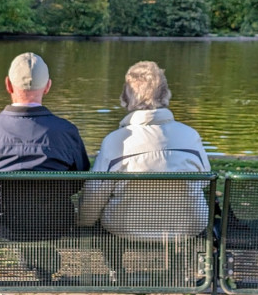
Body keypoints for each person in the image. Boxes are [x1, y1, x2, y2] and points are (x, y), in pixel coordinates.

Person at [78, 61, 211, 242]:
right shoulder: (190, 136)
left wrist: (85, 221)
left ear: (126, 96)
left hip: (126, 227)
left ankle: (118, 270)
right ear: (166, 94)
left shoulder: (116, 141)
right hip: (187, 226)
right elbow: (204, 181)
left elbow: (95, 194)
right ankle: (177, 265)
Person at [0, 52, 90, 241]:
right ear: (48, 87)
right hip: (55, 225)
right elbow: (78, 181)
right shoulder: (66, 131)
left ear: (8, 84)